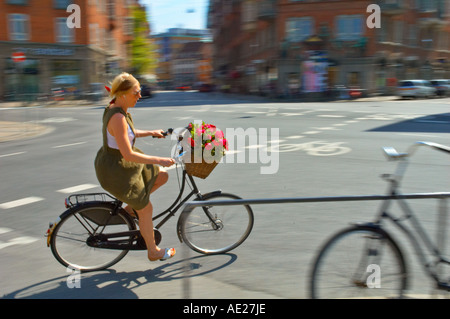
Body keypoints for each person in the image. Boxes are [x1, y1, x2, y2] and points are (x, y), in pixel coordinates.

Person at [95, 72, 176, 262]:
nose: (140, 96)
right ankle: (153, 251)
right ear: (123, 94)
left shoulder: (117, 109)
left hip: (121, 165)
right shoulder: (117, 117)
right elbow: (129, 154)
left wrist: (151, 132)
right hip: (117, 171)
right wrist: (159, 159)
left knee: (162, 176)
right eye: (136, 92)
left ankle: (131, 210)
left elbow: (127, 134)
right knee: (146, 209)